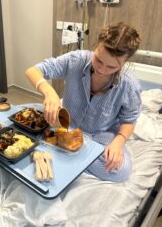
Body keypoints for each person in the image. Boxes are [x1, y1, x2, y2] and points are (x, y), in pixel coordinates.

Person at [25, 22, 142, 182]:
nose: (101, 69)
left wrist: (119, 141)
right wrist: (49, 92)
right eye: (98, 60)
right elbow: (33, 71)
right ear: (96, 47)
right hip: (67, 124)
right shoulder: (76, 60)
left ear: (125, 62)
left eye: (111, 67)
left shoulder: (129, 85)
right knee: (27, 121)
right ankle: (73, 152)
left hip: (101, 134)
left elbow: (129, 120)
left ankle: (65, 152)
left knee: (120, 171)